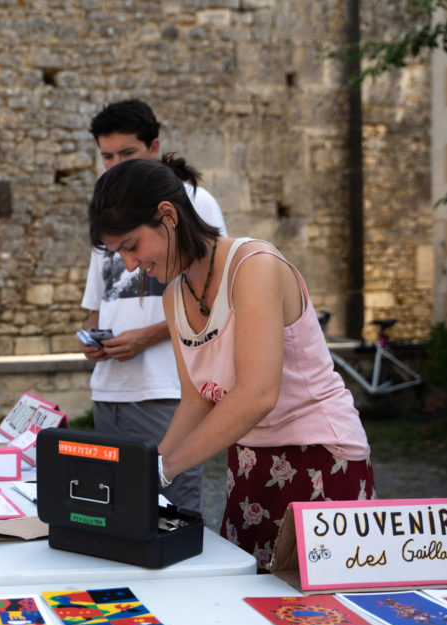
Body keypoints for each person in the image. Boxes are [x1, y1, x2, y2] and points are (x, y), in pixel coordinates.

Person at [88, 156, 374, 571]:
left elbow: (257, 394)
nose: (131, 266)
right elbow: (196, 401)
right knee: (249, 593)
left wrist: (165, 470)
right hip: (249, 462)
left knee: (312, 601)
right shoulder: (174, 296)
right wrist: (148, 469)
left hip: (319, 456)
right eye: (120, 255)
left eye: (131, 246)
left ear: (167, 216)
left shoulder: (254, 266)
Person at [80, 99, 226, 514]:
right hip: (110, 386)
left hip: (166, 387)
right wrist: (93, 340)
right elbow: (98, 298)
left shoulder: (194, 200)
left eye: (127, 152)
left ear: (154, 147)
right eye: (107, 156)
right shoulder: (108, 211)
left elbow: (213, 296)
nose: (115, 164)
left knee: (170, 509)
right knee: (113, 506)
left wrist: (146, 337)